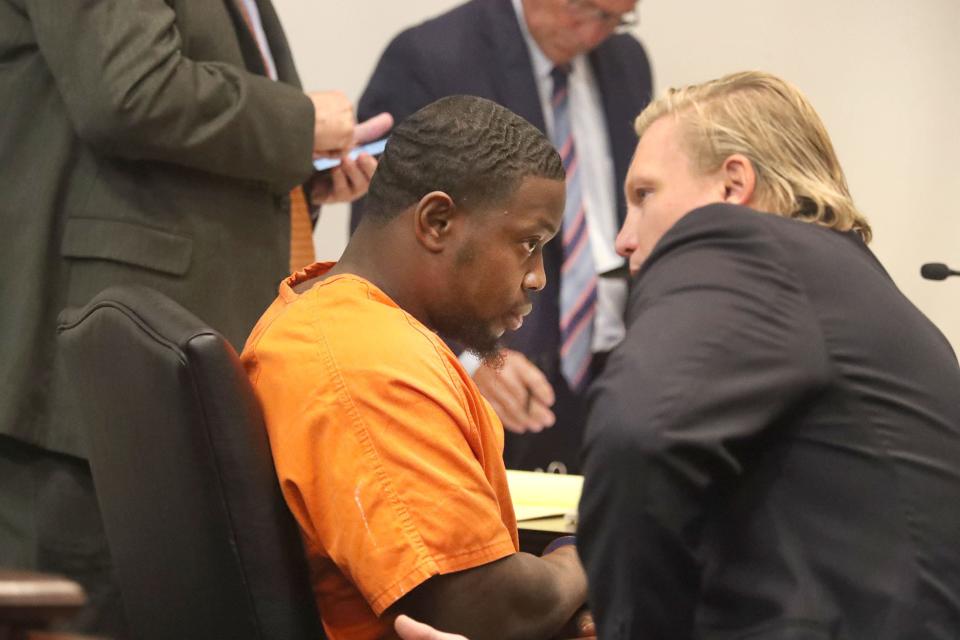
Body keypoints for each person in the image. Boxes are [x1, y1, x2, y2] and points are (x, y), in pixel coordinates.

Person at [0, 1, 388, 635]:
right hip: (88, 379)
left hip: (155, 366)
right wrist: (300, 124)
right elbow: (128, 90)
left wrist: (301, 177)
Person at [577, 71, 960, 638]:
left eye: (644, 196)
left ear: (733, 187)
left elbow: (636, 435)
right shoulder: (841, 286)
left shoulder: (740, 248)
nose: (623, 239)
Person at [241, 95, 590, 640]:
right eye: (528, 243)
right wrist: (583, 555)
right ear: (437, 221)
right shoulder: (365, 362)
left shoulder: (345, 322)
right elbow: (486, 611)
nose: (538, 277)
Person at [352, 0, 653, 472]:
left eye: (615, 17)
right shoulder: (432, 56)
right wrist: (469, 358)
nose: (594, 31)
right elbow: (383, 242)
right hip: (495, 370)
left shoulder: (625, 61)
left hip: (608, 366)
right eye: (586, 8)